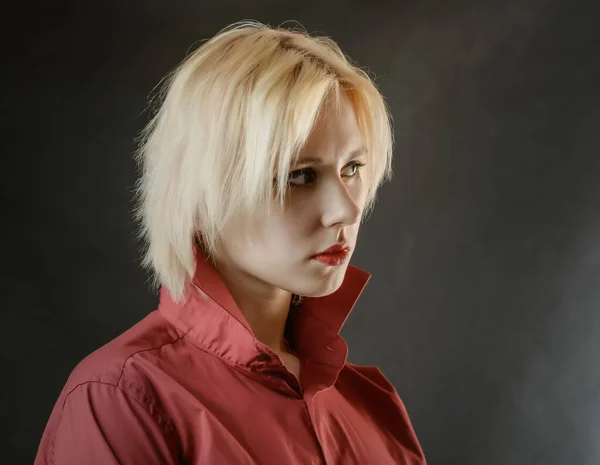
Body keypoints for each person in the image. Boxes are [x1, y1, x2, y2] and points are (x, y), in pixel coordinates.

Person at [34, 20, 427, 464]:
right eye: (300, 175)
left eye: (353, 168)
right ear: (203, 190)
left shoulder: (373, 404)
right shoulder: (121, 398)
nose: (347, 211)